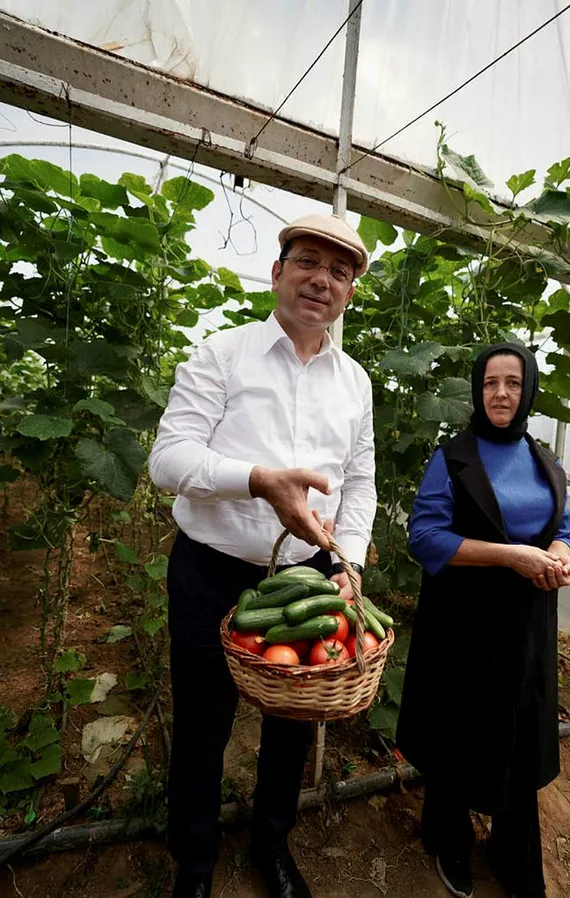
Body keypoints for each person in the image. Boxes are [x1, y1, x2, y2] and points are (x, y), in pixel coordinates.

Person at [149, 213, 376, 898]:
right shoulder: (223, 354)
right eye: (308, 261)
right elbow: (169, 459)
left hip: (306, 577)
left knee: (292, 725)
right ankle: (194, 863)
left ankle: (271, 843)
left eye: (339, 272)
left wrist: (350, 562)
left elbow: (360, 479)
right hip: (211, 573)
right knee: (202, 722)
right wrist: (259, 481)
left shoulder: (356, 382)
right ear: (277, 273)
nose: (322, 280)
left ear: (350, 293)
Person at [396, 343, 570, 898]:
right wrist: (510, 555)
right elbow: (424, 538)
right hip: (463, 627)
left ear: (529, 392)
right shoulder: (454, 457)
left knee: (519, 733)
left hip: (527, 630)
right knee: (458, 729)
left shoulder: (545, 460)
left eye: (513, 384)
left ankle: (513, 851)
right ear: (478, 389)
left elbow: (562, 525)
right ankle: (449, 839)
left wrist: (563, 553)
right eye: (491, 383)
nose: (501, 394)